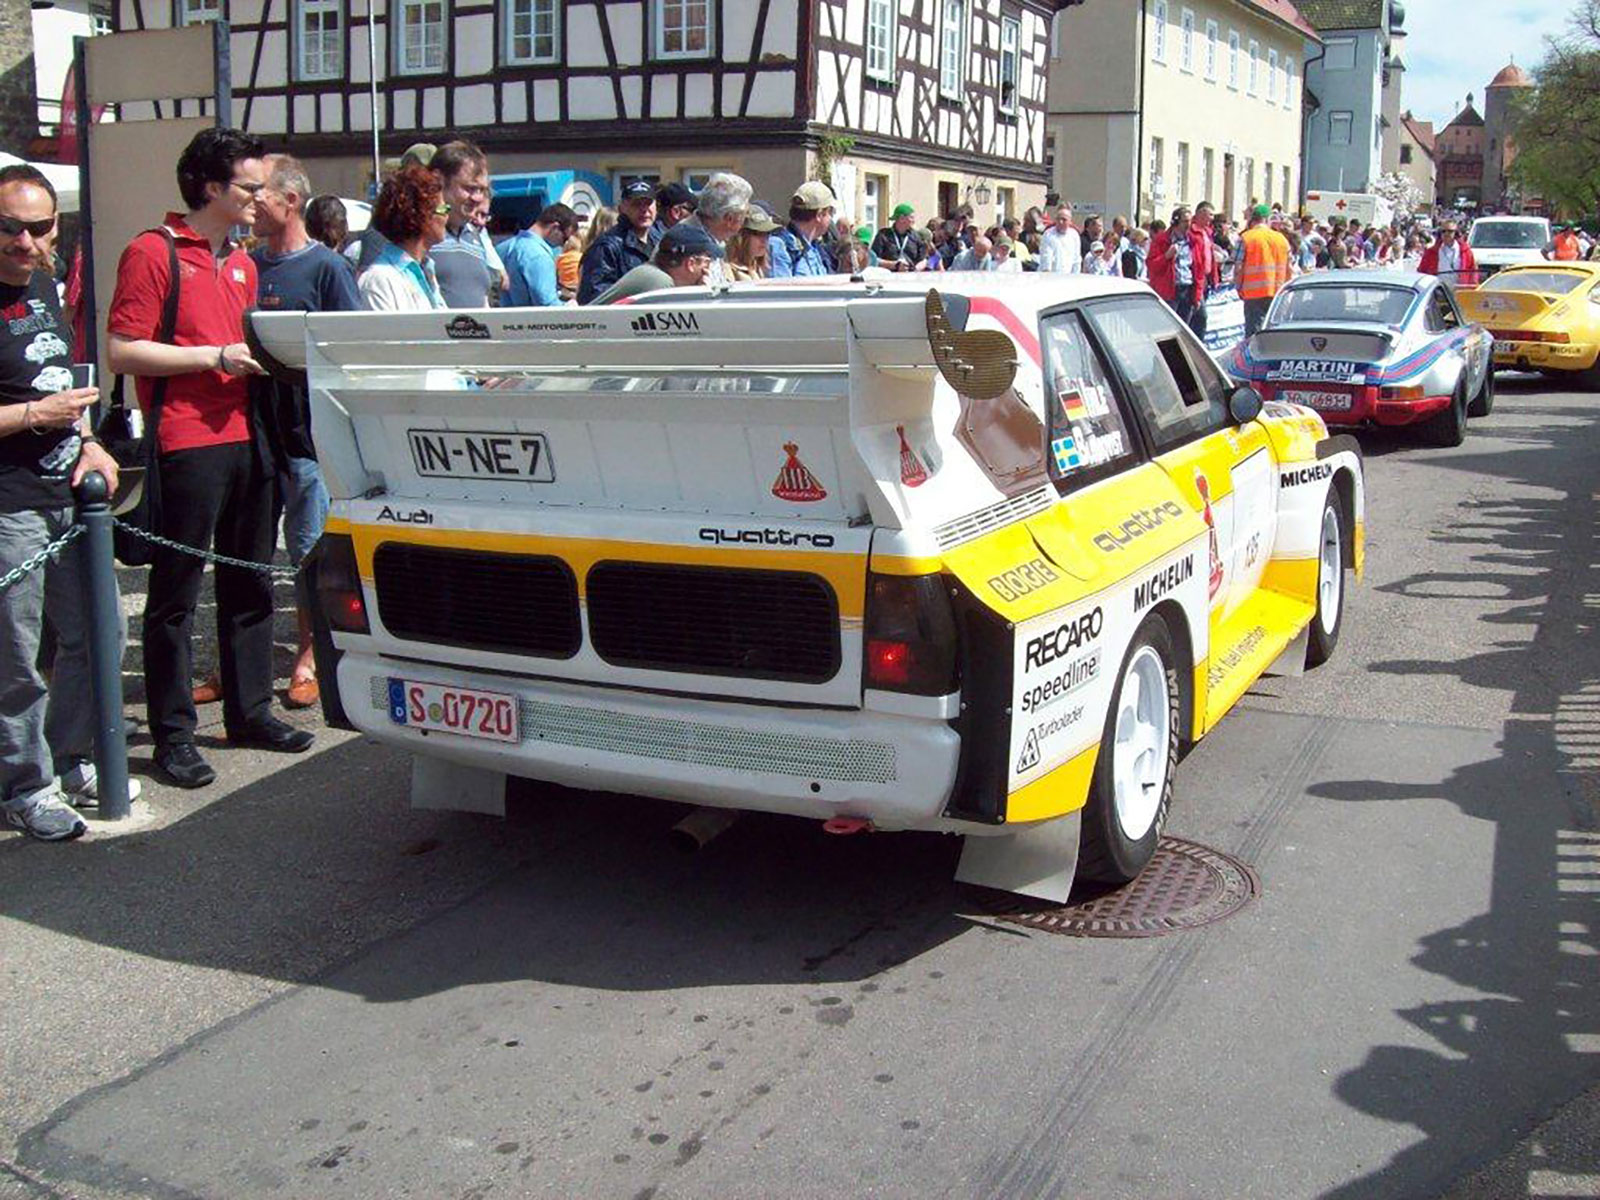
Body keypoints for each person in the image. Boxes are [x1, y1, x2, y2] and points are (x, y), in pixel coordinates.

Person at [107, 126, 313, 789]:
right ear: (211, 187)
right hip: (186, 440)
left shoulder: (244, 261)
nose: (261, 197)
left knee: (250, 579)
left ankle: (250, 712)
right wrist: (213, 357)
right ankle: (173, 735)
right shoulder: (153, 251)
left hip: (249, 437)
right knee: (176, 593)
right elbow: (122, 349)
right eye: (250, 186)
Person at [0, 164, 130, 838]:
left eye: (38, 227)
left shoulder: (45, 283)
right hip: (9, 506)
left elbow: (61, 382)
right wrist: (34, 416)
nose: (24, 241)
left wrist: (89, 441)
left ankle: (67, 755)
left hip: (70, 497)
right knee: (16, 659)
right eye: (9, 227)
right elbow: (40, 401)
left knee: (101, 633)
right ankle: (24, 786)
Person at [250, 154, 361, 712]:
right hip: (254, 435)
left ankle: (308, 658)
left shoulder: (327, 269)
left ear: (290, 200)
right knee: (248, 553)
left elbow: (352, 353)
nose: (251, 203)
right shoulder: (248, 266)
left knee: (306, 552)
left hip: (307, 441)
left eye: (261, 193)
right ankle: (243, 664)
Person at [358, 165, 448, 311]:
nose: (447, 216)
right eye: (444, 209)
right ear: (423, 215)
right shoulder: (379, 281)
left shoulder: (426, 271)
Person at [427, 141, 493, 308]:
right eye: (470, 188)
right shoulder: (416, 234)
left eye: (482, 190)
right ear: (439, 180)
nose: (478, 198)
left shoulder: (475, 236)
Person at [589, 222, 724, 304]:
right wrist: (701, 296)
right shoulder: (660, 283)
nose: (707, 269)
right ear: (691, 264)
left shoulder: (654, 274)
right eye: (707, 262)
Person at [578, 182, 656, 304]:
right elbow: (594, 295)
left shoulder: (660, 241)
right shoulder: (606, 246)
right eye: (636, 204)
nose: (644, 210)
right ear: (622, 208)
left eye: (648, 203)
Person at [679, 172, 754, 288]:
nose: (745, 220)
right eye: (745, 215)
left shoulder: (715, 239)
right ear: (729, 219)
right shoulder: (686, 243)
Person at [499, 203, 578, 308]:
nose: (563, 244)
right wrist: (568, 306)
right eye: (565, 238)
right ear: (555, 227)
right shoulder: (540, 256)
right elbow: (547, 305)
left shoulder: (502, 247)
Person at [1237, 203, 1291, 338]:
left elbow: (1238, 267)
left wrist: (1239, 287)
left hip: (1253, 294)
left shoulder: (1246, 237)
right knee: (1273, 332)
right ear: (1267, 220)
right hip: (1277, 292)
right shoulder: (1281, 239)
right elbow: (1289, 267)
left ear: (1252, 219)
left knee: (1254, 334)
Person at [768, 181, 836, 278]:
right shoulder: (779, 246)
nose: (831, 218)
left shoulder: (816, 248)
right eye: (831, 212)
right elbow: (780, 287)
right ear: (819, 215)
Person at [725, 202, 779, 281]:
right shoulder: (727, 270)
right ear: (740, 236)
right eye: (758, 233)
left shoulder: (758, 268)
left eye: (767, 233)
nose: (764, 239)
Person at [1418, 222, 1479, 288]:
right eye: (1443, 231)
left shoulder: (1466, 251)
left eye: (1450, 231)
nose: (1446, 234)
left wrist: (1472, 287)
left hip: (1460, 290)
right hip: (1439, 291)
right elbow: (1422, 272)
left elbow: (1473, 271)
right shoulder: (1431, 252)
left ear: (1456, 233)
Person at [871, 204, 928, 272]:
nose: (913, 221)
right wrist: (895, 265)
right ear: (902, 219)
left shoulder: (916, 236)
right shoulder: (883, 235)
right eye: (911, 217)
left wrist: (915, 269)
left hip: (910, 275)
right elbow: (874, 259)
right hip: (888, 274)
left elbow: (924, 259)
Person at [1037, 205, 1082, 273]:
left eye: (1064, 219)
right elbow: (1046, 256)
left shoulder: (1074, 235)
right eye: (1058, 219)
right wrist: (1047, 273)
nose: (1060, 222)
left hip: (1068, 275)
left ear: (1070, 221)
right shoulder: (1048, 234)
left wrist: (1075, 275)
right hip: (1050, 275)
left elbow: (1076, 259)